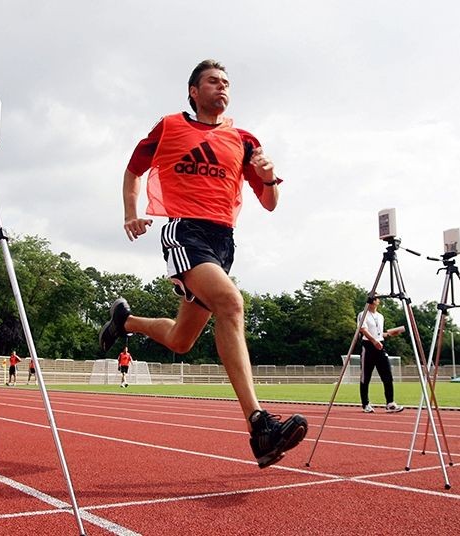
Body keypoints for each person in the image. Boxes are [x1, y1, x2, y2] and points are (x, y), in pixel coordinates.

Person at [99, 59, 308, 468]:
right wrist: (130, 211)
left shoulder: (245, 139)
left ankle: (124, 322)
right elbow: (132, 170)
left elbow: (269, 203)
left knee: (181, 341)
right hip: (185, 232)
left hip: (223, 242)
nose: (222, 87)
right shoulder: (170, 126)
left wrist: (267, 178)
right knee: (231, 303)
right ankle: (259, 426)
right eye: (213, 81)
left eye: (226, 82)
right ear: (194, 91)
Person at [357, 297, 404, 414]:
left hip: (380, 346)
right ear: (372, 301)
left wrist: (390, 334)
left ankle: (390, 403)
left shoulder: (380, 316)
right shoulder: (363, 314)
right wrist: (373, 341)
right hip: (368, 346)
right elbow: (363, 330)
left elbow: (379, 334)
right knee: (365, 376)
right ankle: (365, 404)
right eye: (377, 298)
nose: (379, 300)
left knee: (387, 374)